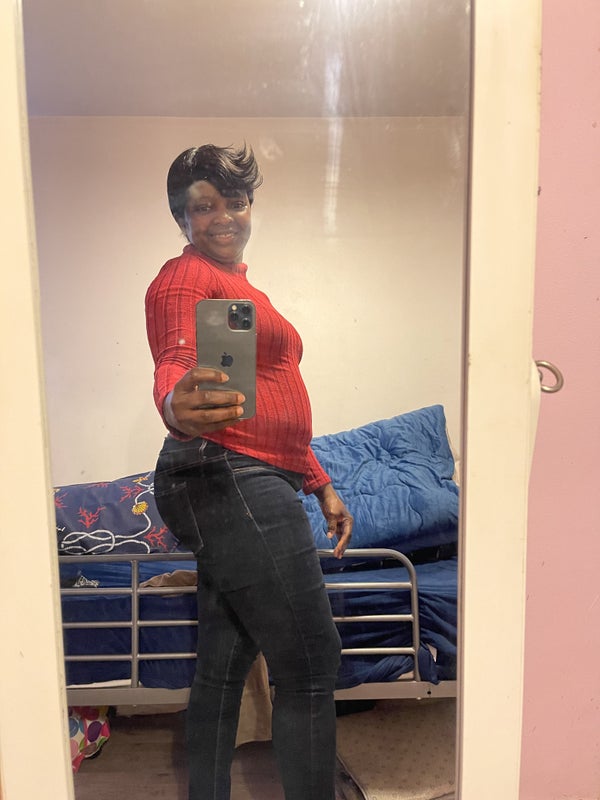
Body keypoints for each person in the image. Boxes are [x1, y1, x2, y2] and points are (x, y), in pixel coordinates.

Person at [145, 143, 353, 800]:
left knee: (224, 660)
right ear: (182, 217)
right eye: (204, 206)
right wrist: (174, 404)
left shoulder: (244, 290)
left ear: (250, 207)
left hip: (242, 472)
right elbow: (176, 359)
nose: (223, 217)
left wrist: (319, 482)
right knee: (311, 660)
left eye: (234, 201)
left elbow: (266, 402)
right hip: (226, 472)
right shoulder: (185, 278)